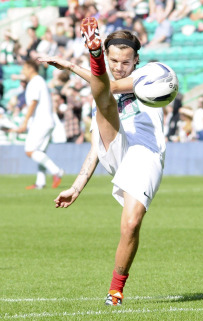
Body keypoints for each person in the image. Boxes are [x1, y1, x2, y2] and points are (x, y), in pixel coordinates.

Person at [39, 16, 166, 306]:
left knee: (131, 224)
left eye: (125, 61)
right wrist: (77, 186)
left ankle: (115, 291)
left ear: (137, 60)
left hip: (146, 154)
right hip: (116, 148)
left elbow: (113, 86)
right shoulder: (105, 89)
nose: (120, 66)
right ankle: (93, 56)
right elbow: (97, 147)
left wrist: (72, 67)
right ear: (107, 58)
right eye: (112, 60)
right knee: (104, 104)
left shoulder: (150, 73)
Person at [12, 59, 64, 189]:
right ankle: (40, 182)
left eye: (24, 68)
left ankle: (57, 171)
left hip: (41, 121)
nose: (22, 71)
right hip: (47, 121)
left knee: (30, 150)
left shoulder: (35, 82)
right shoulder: (39, 81)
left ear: (30, 68)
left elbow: (33, 103)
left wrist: (24, 123)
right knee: (40, 152)